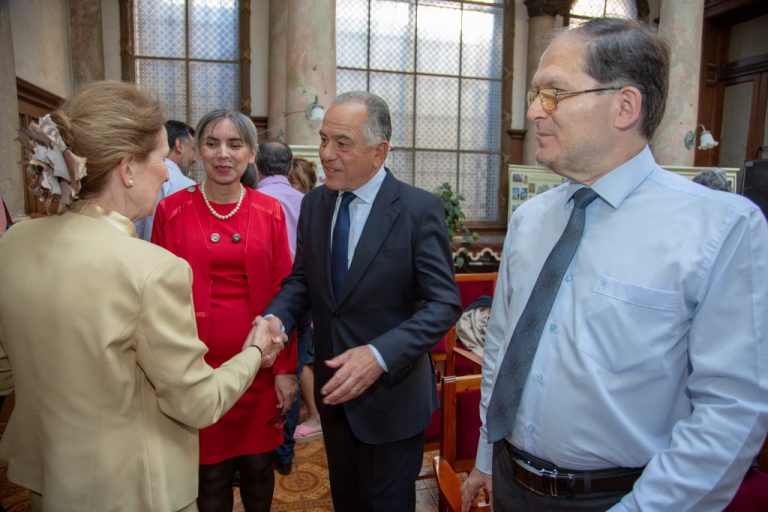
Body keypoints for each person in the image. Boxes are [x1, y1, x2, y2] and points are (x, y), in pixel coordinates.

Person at [461, 18, 768, 512]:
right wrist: (485, 455)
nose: (534, 110)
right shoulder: (531, 219)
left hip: (626, 497)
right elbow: (502, 346)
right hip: (511, 479)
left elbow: (732, 410)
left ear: (625, 106)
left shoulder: (720, 228)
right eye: (537, 94)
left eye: (554, 93)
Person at [0, 80, 281, 512]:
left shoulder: (14, 243)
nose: (168, 172)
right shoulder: (150, 268)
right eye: (160, 158)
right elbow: (198, 402)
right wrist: (256, 351)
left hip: (47, 475)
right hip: (128, 487)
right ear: (127, 168)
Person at [260, 91, 462, 511]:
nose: (326, 154)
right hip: (336, 399)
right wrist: (276, 318)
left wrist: (379, 355)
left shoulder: (417, 209)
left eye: (342, 143)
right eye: (323, 139)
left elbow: (443, 304)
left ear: (379, 152)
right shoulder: (315, 204)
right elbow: (302, 282)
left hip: (392, 401)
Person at [151, 109, 297, 512]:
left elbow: (284, 293)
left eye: (235, 144)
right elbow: (157, 296)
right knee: (210, 471)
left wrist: (285, 369)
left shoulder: (269, 211)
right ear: (197, 150)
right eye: (212, 143)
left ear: (251, 153)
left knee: (258, 465)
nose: (223, 154)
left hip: (259, 365)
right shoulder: (171, 210)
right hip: (197, 367)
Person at [253, 140, 319, 474]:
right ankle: (284, 449)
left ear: (256, 165)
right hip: (302, 298)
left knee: (259, 369)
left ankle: (259, 450)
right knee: (293, 366)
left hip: (264, 298)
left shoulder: (253, 200)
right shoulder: (306, 201)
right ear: (289, 166)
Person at [134, 119, 196, 240]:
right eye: (192, 149)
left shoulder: (139, 174)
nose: (194, 158)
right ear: (179, 145)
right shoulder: (186, 186)